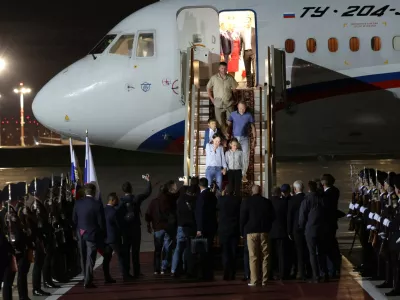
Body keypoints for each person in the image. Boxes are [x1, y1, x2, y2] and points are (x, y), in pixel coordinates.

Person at [118, 175, 152, 279]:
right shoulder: (136, 199)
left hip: (125, 229)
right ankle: (137, 271)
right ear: (131, 189)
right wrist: (148, 181)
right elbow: (147, 192)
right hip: (136, 227)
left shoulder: (121, 201)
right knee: (136, 251)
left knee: (126, 251)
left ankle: (126, 272)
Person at [73, 183, 106, 288]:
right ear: (94, 192)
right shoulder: (97, 204)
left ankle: (85, 276)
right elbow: (101, 222)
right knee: (90, 258)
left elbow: (74, 219)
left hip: (80, 232)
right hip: (92, 233)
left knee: (83, 256)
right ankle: (87, 280)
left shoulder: (78, 203)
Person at [240, 185, 274, 286]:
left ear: (252, 191)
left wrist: (242, 232)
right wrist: (268, 228)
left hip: (251, 232)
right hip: (264, 231)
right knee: (265, 256)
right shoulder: (267, 202)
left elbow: (242, 218)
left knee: (253, 257)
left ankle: (254, 280)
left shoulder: (246, 202)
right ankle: (265, 279)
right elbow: (272, 217)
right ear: (261, 191)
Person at [145, 180, 179, 275]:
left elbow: (148, 215)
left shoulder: (153, 202)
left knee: (157, 249)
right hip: (167, 228)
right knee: (167, 248)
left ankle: (156, 269)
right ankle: (164, 266)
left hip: (157, 228)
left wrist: (149, 225)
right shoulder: (169, 200)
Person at [299, 181, 329, 283]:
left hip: (310, 229)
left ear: (308, 188)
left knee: (312, 253)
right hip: (322, 229)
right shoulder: (322, 199)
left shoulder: (306, 200)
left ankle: (316, 276)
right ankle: (324, 274)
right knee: (322, 252)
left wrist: (302, 227)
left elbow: (302, 216)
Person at [171, 178, 199, 277]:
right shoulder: (196, 200)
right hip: (190, 227)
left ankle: (174, 269)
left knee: (179, 249)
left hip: (180, 226)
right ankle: (185, 268)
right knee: (189, 249)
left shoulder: (181, 200)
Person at [226, 101, 256, 183]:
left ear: (245, 108)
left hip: (245, 138)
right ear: (237, 108)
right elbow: (229, 125)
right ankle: (234, 173)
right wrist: (227, 134)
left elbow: (253, 127)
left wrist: (254, 139)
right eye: (240, 108)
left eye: (243, 108)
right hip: (235, 138)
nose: (242, 110)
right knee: (234, 155)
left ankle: (243, 174)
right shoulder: (233, 114)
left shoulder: (249, 115)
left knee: (245, 156)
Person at [195, 178, 218, 280]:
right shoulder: (212, 196)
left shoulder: (201, 197)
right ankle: (209, 272)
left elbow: (200, 213)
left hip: (204, 227)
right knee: (210, 249)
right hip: (212, 226)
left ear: (200, 186)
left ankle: (204, 273)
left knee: (203, 251)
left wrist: (199, 228)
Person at [207, 61, 238, 134]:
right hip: (218, 103)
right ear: (219, 68)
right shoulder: (214, 78)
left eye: (225, 68)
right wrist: (211, 98)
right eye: (222, 68)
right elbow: (208, 88)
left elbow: (234, 89)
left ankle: (228, 134)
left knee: (230, 120)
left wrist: (235, 99)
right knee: (220, 122)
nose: (223, 70)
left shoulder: (230, 78)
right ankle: (224, 136)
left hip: (229, 102)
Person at [217, 184, 241, 280]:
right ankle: (232, 272)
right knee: (233, 252)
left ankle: (226, 272)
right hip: (234, 228)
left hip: (223, 229)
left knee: (225, 252)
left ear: (225, 191)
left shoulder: (221, 200)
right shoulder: (237, 200)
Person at [287, 180, 308, 280]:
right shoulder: (307, 198)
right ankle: (309, 270)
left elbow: (289, 217)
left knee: (298, 251)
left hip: (296, 229)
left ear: (294, 189)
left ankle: (301, 272)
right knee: (307, 250)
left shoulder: (292, 200)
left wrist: (289, 231)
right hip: (307, 227)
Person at [103, 192, 124, 283]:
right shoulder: (114, 212)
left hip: (106, 238)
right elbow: (119, 225)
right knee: (121, 256)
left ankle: (107, 277)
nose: (117, 201)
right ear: (112, 200)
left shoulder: (103, 210)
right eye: (116, 200)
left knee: (107, 258)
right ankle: (125, 275)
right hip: (114, 238)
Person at [269, 186, 288, 280]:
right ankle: (282, 273)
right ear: (279, 193)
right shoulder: (283, 202)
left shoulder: (268, 203)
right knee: (282, 254)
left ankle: (271, 273)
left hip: (270, 231)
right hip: (281, 231)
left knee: (270, 254)